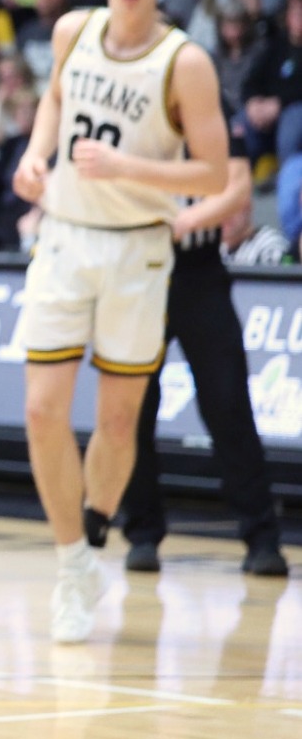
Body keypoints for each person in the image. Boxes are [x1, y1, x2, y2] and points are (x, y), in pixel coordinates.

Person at [10, 0, 229, 644]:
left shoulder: (184, 61)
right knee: (43, 411)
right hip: (66, 238)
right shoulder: (72, 31)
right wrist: (37, 156)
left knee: (116, 419)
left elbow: (214, 173)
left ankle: (94, 536)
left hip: (138, 249)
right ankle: (72, 562)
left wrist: (130, 168)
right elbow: (54, 103)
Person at [120, 131, 289, 577]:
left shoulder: (212, 115)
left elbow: (237, 187)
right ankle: (141, 534)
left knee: (229, 405)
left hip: (199, 274)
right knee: (134, 410)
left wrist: (181, 222)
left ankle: (262, 538)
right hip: (138, 273)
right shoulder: (135, 111)